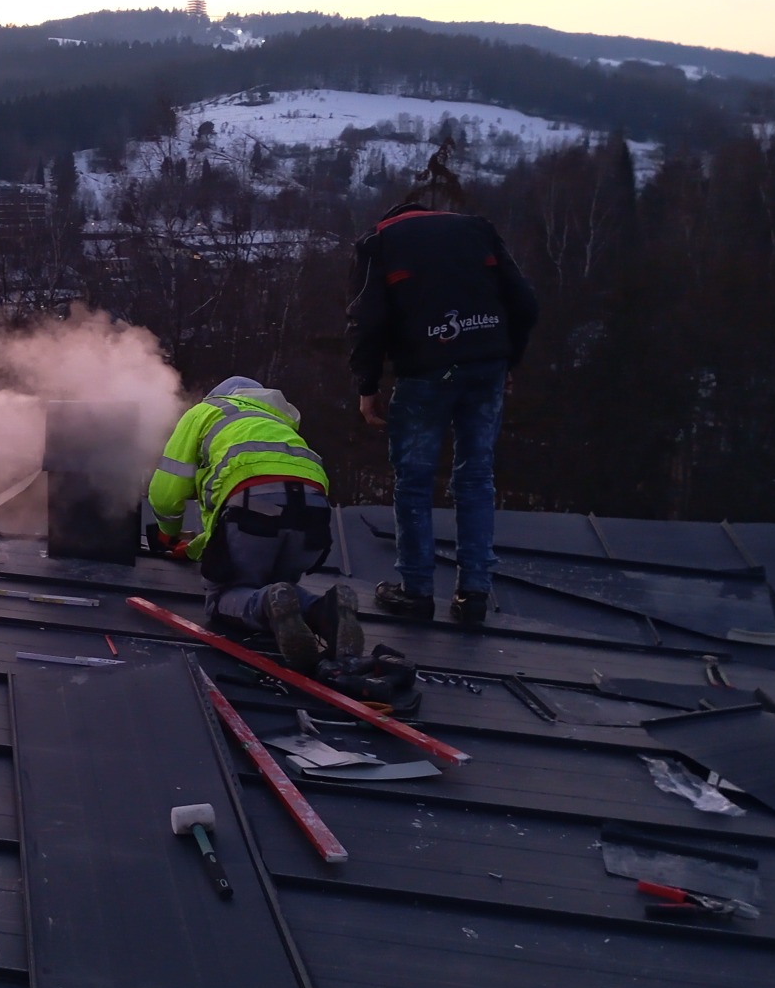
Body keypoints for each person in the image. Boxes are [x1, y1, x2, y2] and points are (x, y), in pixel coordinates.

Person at [350, 184, 539, 627]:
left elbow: (367, 320)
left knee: (414, 480)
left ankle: (416, 591)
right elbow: (526, 303)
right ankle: (474, 594)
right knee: (476, 476)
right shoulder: (478, 230)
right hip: (487, 363)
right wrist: (508, 359)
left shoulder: (379, 242)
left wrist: (367, 384)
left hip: (426, 371)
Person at [147, 377, 363, 671]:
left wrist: (168, 535)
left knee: (225, 594)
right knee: (276, 589)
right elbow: (225, 529)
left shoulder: (206, 411)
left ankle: (265, 605)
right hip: (313, 510)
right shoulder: (278, 424)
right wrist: (196, 548)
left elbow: (166, 491)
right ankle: (326, 610)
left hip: (253, 503)